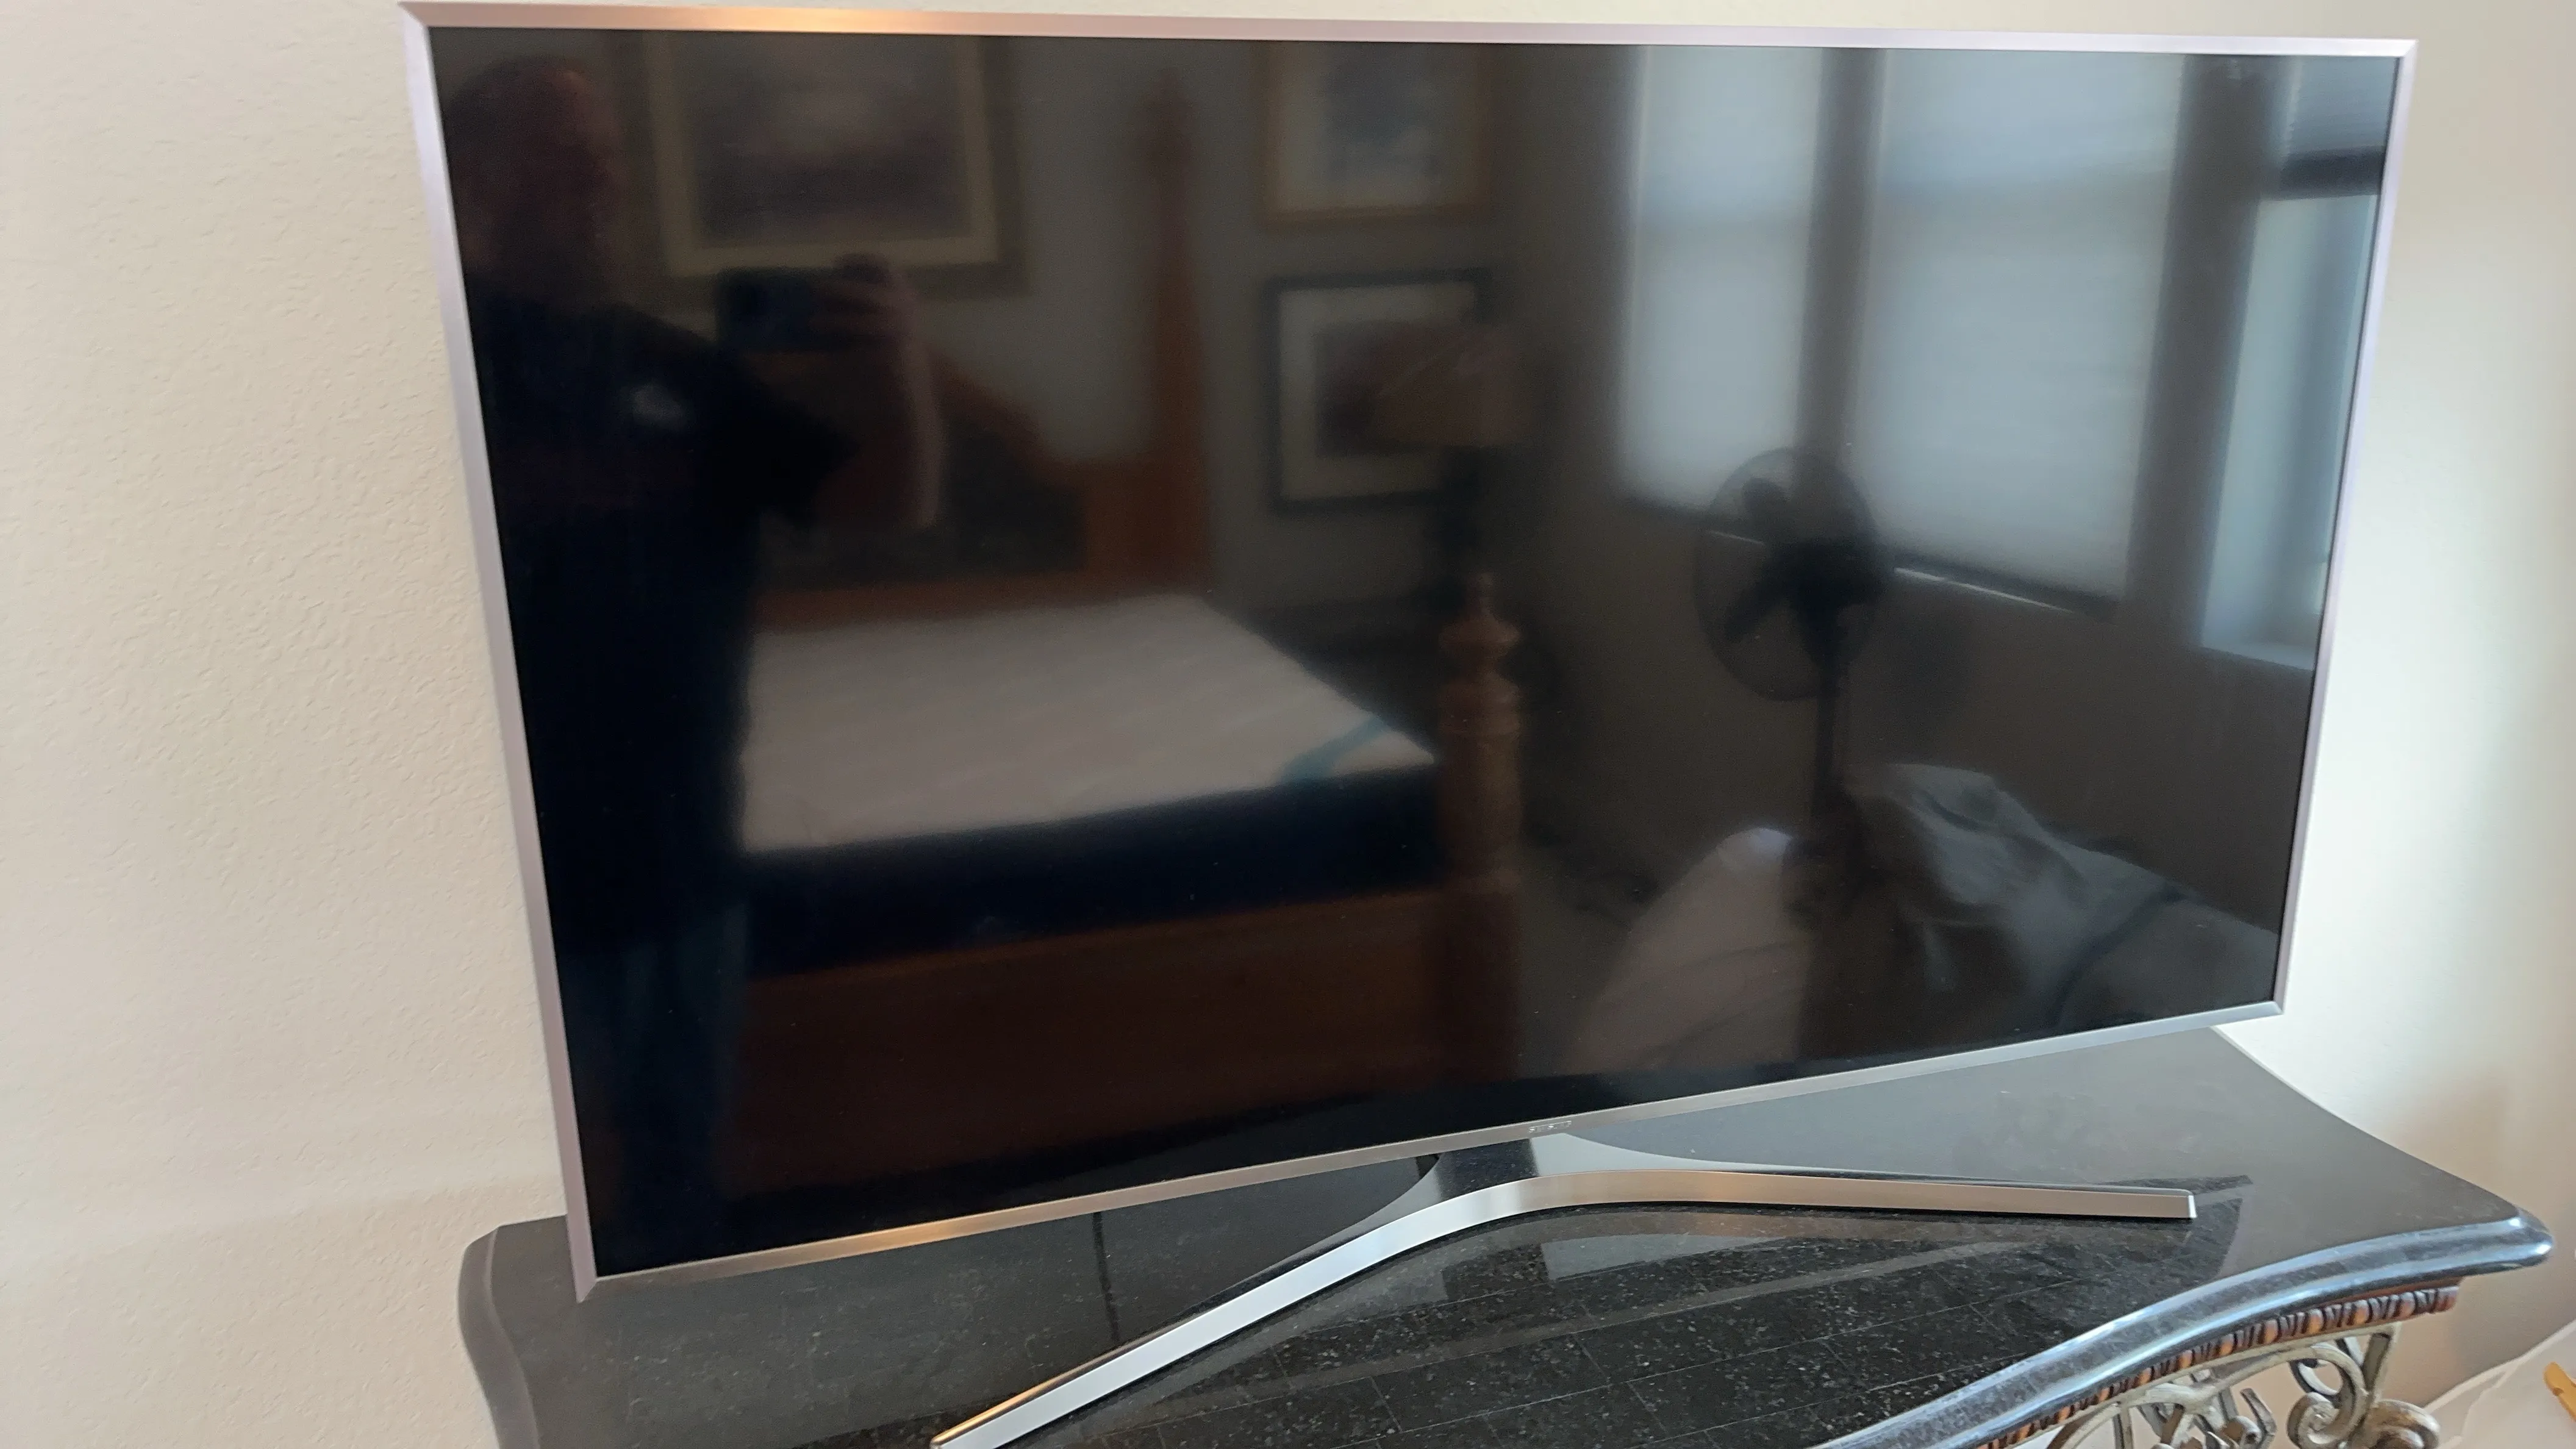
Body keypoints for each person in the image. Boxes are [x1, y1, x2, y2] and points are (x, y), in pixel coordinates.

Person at [442, 55, 943, 1269]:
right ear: (475, 174)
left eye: (608, 154)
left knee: (681, 1193)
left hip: (685, 865)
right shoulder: (428, 370)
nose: (603, 180)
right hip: (506, 893)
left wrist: (897, 364)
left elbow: (890, 502)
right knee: (512, 1213)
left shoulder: (683, 376)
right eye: (566, 152)